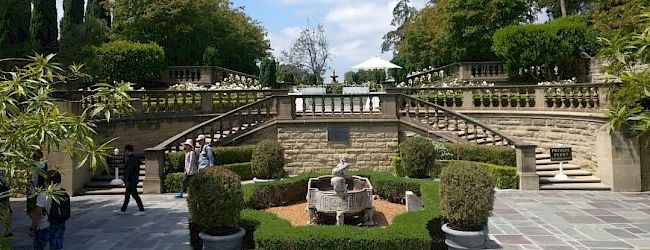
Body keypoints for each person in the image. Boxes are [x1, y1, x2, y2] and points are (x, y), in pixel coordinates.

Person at [30, 170, 70, 250]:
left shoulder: (43, 194)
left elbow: (38, 212)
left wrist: (33, 227)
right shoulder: (64, 193)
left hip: (45, 225)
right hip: (59, 224)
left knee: (38, 247)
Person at [113, 145, 145, 216]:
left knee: (135, 195)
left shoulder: (131, 159)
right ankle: (123, 210)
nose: (124, 152)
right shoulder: (135, 158)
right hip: (133, 179)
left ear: (127, 151)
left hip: (131, 180)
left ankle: (142, 210)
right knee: (127, 195)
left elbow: (129, 171)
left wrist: (127, 180)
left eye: (125, 151)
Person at [27, 150, 48, 215]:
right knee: (40, 207)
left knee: (31, 209)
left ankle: (34, 223)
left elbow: (32, 178)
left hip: (33, 189)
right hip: (42, 189)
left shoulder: (32, 166)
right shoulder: (45, 165)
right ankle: (38, 221)